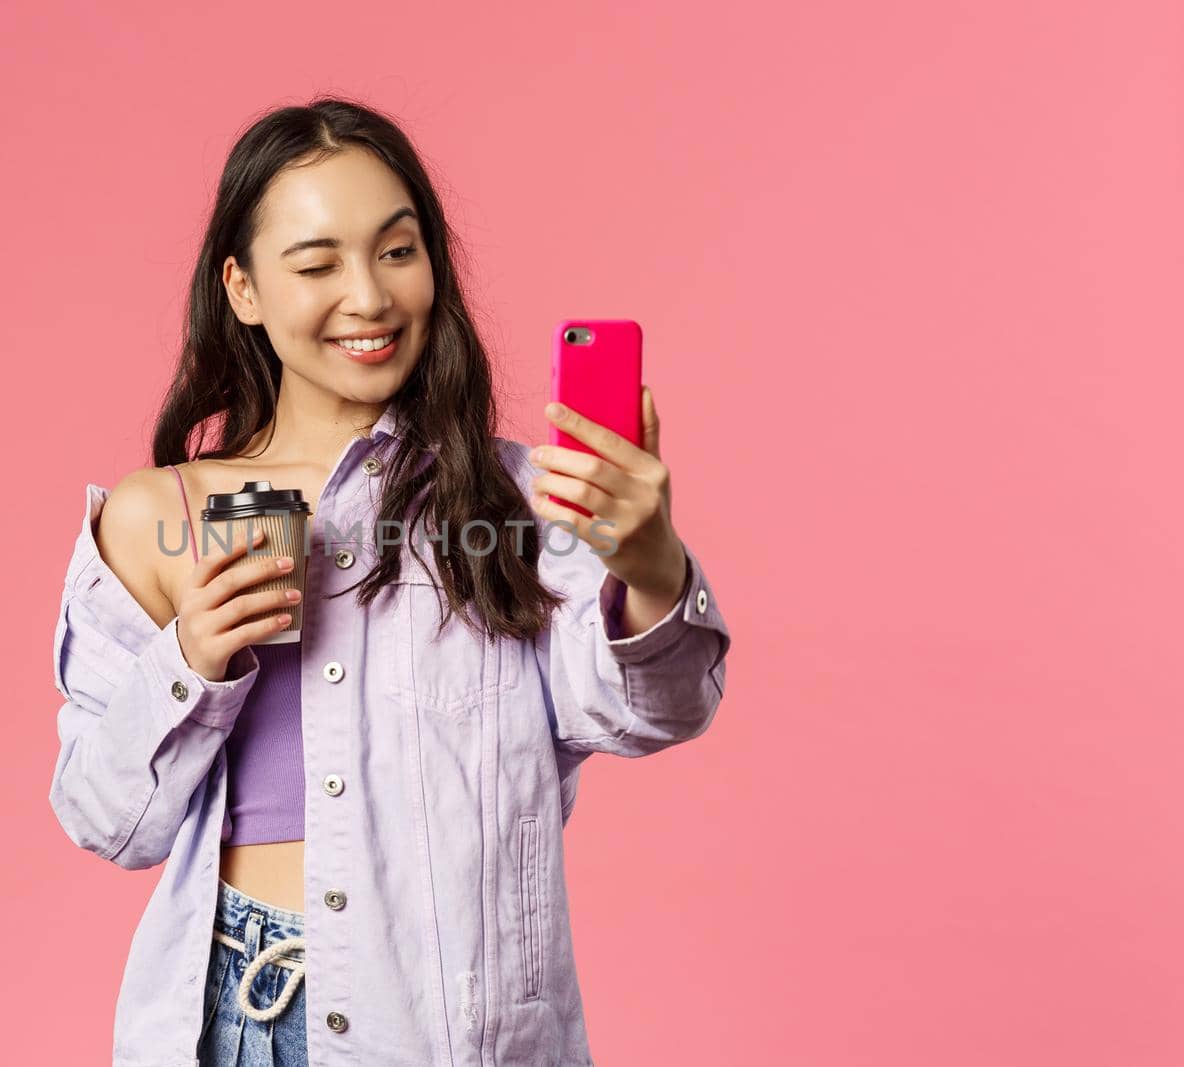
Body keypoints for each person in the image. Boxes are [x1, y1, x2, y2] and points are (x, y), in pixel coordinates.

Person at [48, 96, 732, 1067]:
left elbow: (652, 712)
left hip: (446, 1020)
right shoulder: (157, 512)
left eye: (396, 251)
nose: (367, 297)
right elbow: (104, 818)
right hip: (232, 1013)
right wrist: (190, 660)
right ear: (241, 287)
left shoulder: (525, 501)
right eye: (317, 263)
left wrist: (650, 560)